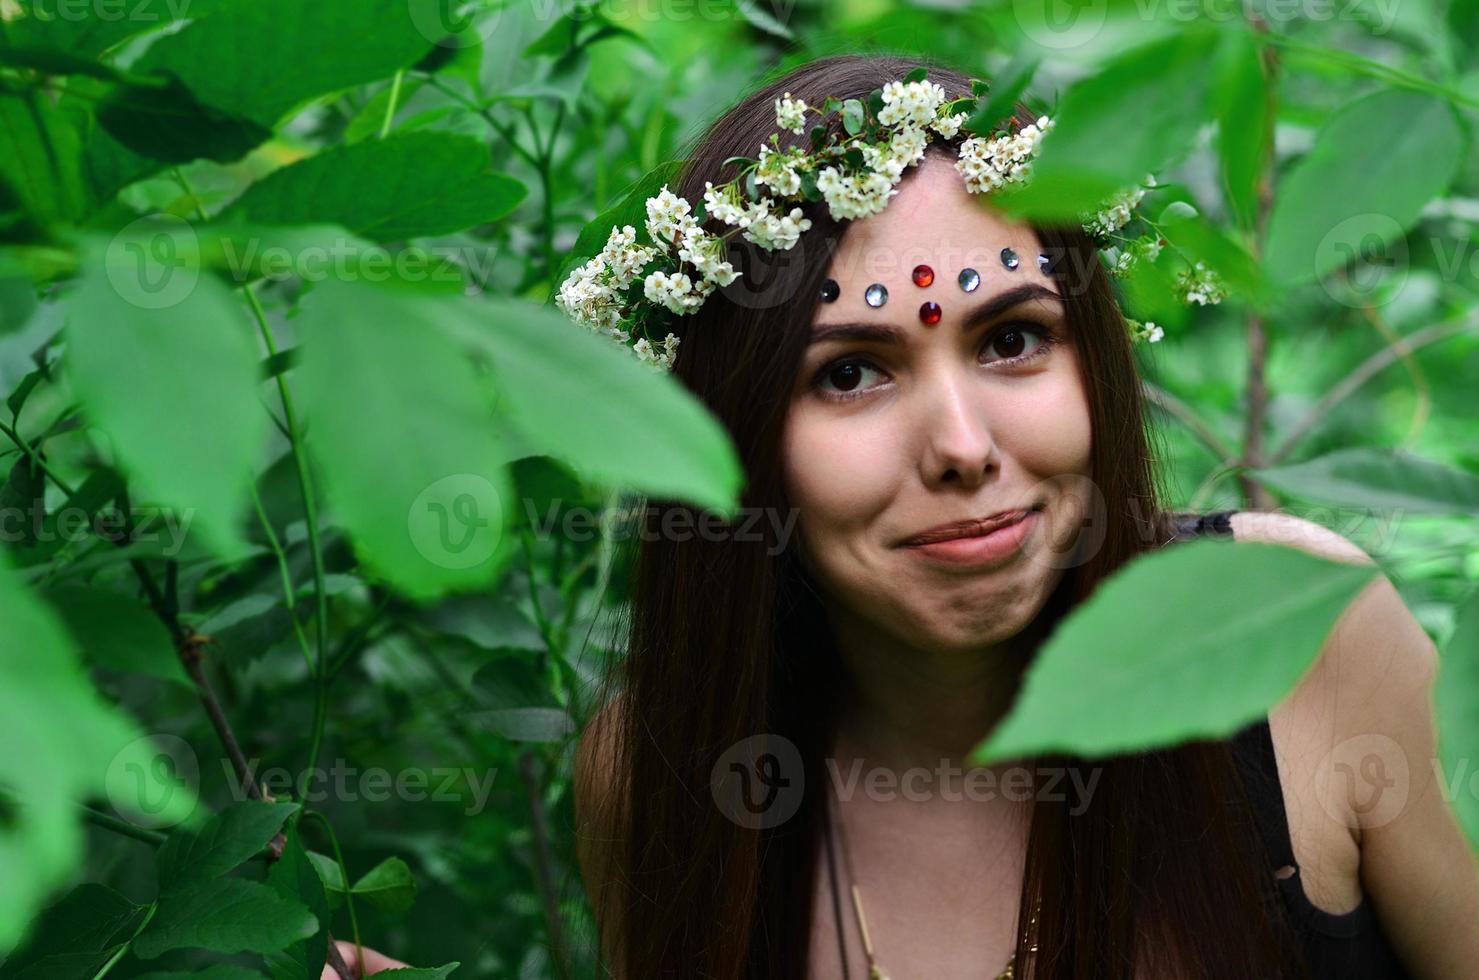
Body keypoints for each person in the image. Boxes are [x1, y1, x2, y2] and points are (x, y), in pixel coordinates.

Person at [564, 52, 1479, 980]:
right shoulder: (659, 772)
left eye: (1012, 339)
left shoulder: (1299, 636)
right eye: (848, 373)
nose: (961, 445)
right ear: (728, 435)